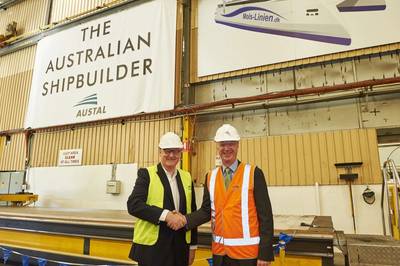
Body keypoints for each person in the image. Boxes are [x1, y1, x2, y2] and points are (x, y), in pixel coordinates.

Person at [179, 124, 274, 266]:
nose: (227, 148)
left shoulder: (253, 173)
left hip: (248, 255)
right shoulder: (210, 176)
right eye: (223, 144)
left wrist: (265, 253)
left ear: (238, 146)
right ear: (217, 147)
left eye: (231, 144)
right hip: (220, 254)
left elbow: (265, 216)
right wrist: (184, 220)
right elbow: (206, 211)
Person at [127, 132, 197, 266]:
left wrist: (192, 246)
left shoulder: (186, 177)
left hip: (180, 248)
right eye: (167, 151)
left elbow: (192, 211)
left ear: (180, 153)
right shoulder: (146, 174)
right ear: (160, 151)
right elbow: (134, 205)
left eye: (176, 151)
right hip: (152, 250)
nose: (171, 155)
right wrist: (166, 215)